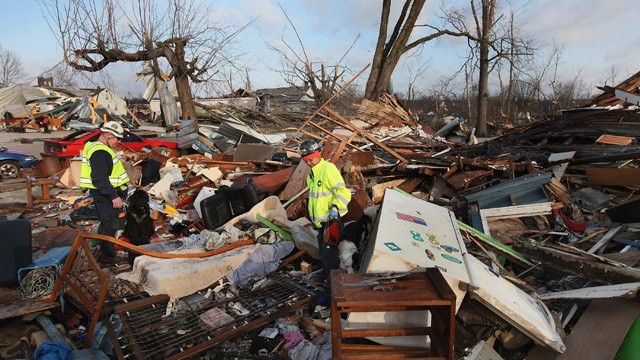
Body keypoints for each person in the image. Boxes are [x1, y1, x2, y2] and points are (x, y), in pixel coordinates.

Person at [300, 139, 351, 282]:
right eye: (306, 161)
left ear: (318, 154)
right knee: (324, 250)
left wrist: (335, 208)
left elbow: (343, 192)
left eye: (310, 159)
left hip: (332, 219)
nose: (309, 163)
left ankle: (333, 281)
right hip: (321, 221)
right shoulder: (313, 173)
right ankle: (327, 273)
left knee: (330, 251)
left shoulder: (328, 169)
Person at [79, 121, 130, 262]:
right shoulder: (100, 152)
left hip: (105, 194)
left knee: (107, 223)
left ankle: (104, 252)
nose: (119, 142)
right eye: (117, 138)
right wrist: (114, 196)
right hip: (107, 196)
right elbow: (99, 178)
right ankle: (108, 256)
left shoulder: (97, 148)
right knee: (111, 225)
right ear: (107, 134)